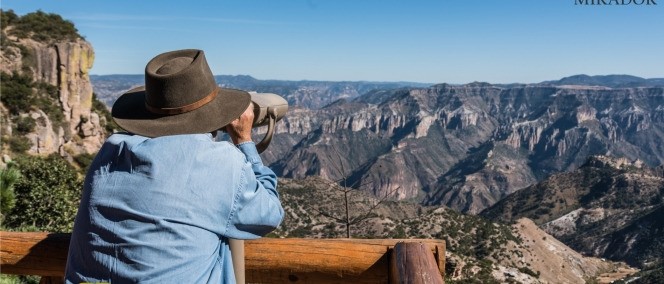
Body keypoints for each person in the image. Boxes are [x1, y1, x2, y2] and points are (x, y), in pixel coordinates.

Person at [65, 49, 284, 283]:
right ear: (210, 111)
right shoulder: (219, 162)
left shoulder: (110, 152)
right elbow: (270, 214)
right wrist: (245, 141)